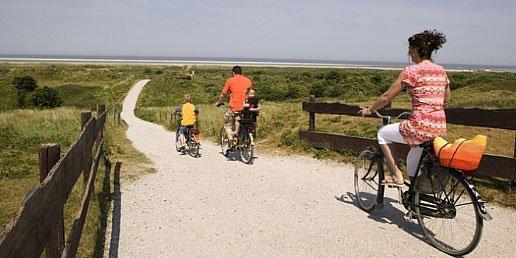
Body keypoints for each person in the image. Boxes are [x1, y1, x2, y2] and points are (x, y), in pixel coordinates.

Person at [359, 29, 451, 186]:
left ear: (416, 50)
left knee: (382, 133)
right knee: (412, 159)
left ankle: (396, 176)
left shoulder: (412, 71)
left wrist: (370, 110)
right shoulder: (441, 70)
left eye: (410, 50)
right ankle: (415, 201)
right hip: (439, 127)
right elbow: (447, 100)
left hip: (420, 126)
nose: (409, 54)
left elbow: (387, 96)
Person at [214, 65, 253, 143]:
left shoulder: (230, 81)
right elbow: (251, 94)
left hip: (234, 107)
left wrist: (219, 102)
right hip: (246, 108)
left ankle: (231, 140)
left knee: (227, 125)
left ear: (233, 73)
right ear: (242, 72)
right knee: (242, 122)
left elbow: (223, 94)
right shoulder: (248, 81)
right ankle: (243, 138)